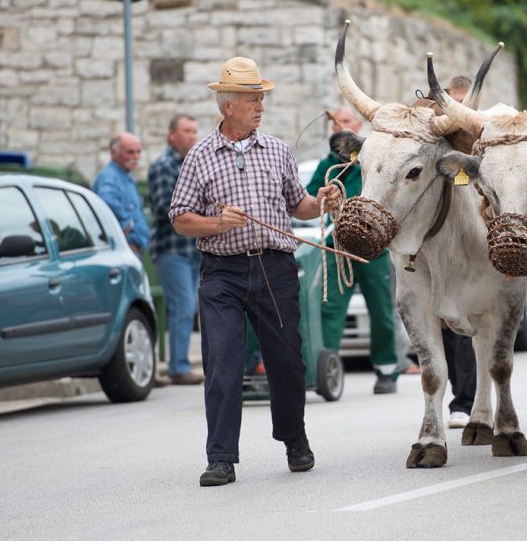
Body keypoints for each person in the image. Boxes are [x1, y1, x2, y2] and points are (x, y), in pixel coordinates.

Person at [169, 56, 340, 487]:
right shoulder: (199, 157)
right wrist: (217, 224)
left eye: (261, 98)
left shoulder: (279, 150)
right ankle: (221, 458)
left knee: (286, 362)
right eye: (252, 99)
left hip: (274, 268)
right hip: (221, 274)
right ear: (228, 106)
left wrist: (320, 202)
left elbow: (297, 206)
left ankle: (294, 439)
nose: (260, 105)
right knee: (223, 363)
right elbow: (179, 218)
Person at [306, 107, 399, 394]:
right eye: (338, 123)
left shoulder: (371, 159)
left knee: (381, 309)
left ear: (357, 125)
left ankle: (386, 369)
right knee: (331, 306)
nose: (341, 127)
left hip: (373, 247)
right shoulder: (328, 164)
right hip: (339, 246)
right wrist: (329, 193)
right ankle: (328, 366)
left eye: (346, 122)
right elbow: (310, 197)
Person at [148, 115, 204, 387]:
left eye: (194, 131)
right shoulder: (163, 166)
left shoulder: (192, 164)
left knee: (190, 306)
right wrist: (198, 210)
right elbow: (163, 208)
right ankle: (179, 367)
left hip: (193, 249)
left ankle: (179, 364)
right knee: (182, 306)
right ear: (172, 135)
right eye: (186, 131)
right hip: (171, 249)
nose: (192, 136)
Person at [441, 76, 478, 429]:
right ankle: (462, 397)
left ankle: (469, 400)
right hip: (445, 240)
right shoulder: (439, 140)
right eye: (453, 103)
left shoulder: (489, 135)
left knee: (469, 322)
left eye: (464, 103)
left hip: (482, 240)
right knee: (449, 322)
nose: (460, 111)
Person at [93, 132, 150, 255]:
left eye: (138, 152)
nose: (135, 156)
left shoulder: (126, 176)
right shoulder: (110, 176)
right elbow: (106, 199)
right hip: (123, 249)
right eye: (130, 152)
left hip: (132, 249)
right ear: (113, 153)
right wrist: (127, 226)